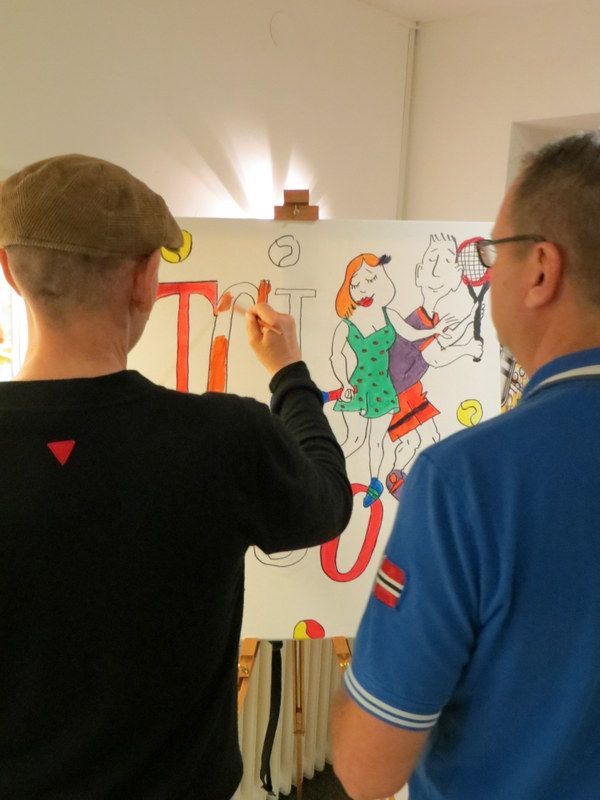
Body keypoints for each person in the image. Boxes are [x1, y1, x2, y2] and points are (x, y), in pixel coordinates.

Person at [0, 154, 353, 800]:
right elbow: (328, 501)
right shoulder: (223, 437)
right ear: (144, 280)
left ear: (9, 272)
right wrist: (289, 376)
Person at [331, 131, 600, 799]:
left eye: (492, 252)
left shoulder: (467, 479)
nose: (488, 272)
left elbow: (367, 768)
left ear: (541, 269)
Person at [329, 252, 456, 507]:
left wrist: (435, 330)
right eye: (355, 284)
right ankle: (323, 470)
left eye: (370, 280)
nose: (363, 289)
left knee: (376, 441)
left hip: (383, 388)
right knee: (355, 439)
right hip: (359, 386)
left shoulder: (389, 314)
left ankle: (375, 482)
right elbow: (336, 356)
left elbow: (410, 333)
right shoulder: (346, 324)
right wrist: (344, 383)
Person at [385, 233, 481, 499]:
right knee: (418, 439)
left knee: (426, 438)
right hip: (402, 390)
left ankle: (400, 478)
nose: (438, 268)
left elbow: (444, 339)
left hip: (409, 388)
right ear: (419, 273)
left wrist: (469, 321)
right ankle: (396, 478)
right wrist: (467, 349)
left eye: (447, 260)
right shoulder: (419, 320)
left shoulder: (432, 318)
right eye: (432, 260)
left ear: (457, 276)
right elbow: (436, 357)